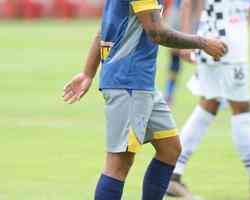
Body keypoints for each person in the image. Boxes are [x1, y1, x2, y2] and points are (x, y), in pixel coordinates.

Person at [62, 0, 227, 200]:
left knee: (170, 149)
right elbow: (157, 32)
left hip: (141, 84)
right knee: (118, 164)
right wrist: (203, 43)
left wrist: (88, 73)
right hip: (128, 84)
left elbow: (105, 28)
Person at [167, 0, 250, 199]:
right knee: (242, 110)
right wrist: (186, 41)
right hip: (225, 45)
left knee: (208, 107)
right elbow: (188, 2)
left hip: (218, 41)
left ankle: (173, 176)